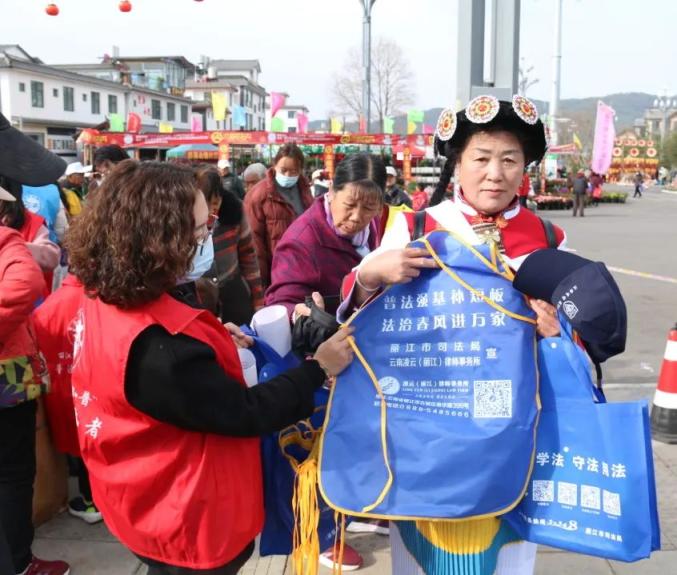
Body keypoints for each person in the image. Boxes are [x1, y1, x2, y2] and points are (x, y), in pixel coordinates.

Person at [64, 160, 354, 575]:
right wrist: (317, 368)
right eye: (200, 231)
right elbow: (245, 412)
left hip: (136, 495)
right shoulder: (162, 348)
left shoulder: (107, 296)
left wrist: (212, 337)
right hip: (187, 518)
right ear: (159, 239)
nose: (208, 239)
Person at [340, 95, 567, 575]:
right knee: (420, 557)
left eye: (509, 160)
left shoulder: (548, 238)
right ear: (457, 164)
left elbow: (578, 332)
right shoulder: (415, 226)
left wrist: (559, 331)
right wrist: (371, 275)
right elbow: (359, 318)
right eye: (481, 159)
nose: (495, 174)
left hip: (512, 429)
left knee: (507, 557)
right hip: (425, 428)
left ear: (524, 168)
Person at [0, 111, 70, 575]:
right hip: (9, 374)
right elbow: (22, 287)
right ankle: (19, 563)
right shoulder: (10, 243)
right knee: (12, 472)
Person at [195, 165, 264, 324]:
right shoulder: (186, 219)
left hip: (234, 294)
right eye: (208, 202)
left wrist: (258, 301)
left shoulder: (234, 211)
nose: (213, 208)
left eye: (216, 202)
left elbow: (249, 256)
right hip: (200, 298)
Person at [244, 144, 313, 288]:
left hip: (304, 266)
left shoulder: (305, 190)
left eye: (294, 171)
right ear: (274, 166)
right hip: (276, 271)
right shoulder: (258, 195)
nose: (288, 175)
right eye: (284, 170)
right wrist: (261, 282)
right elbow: (255, 241)